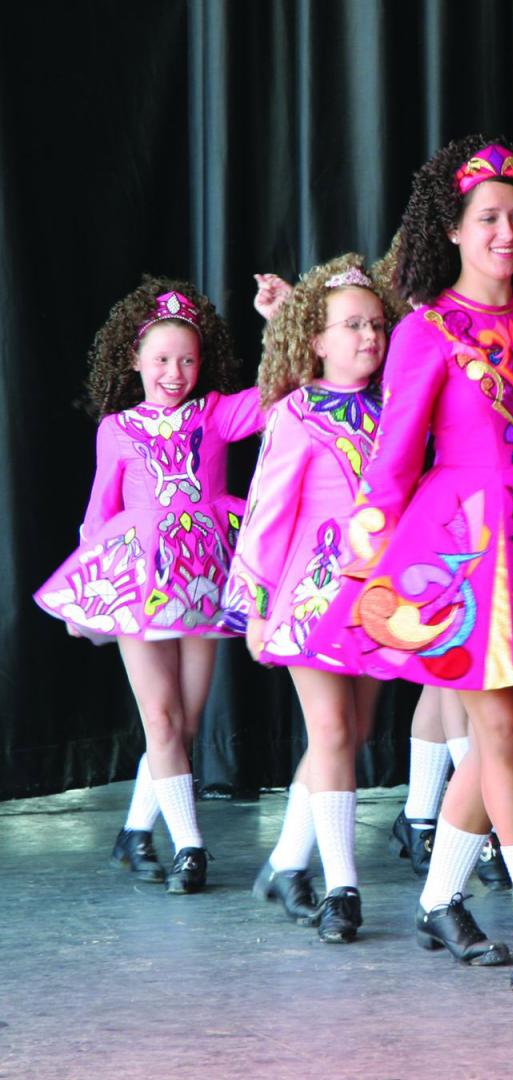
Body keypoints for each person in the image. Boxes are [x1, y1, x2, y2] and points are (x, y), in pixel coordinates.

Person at [306, 136, 513, 989]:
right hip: (462, 556)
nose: (504, 233)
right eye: (486, 220)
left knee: (502, 737)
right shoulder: (426, 332)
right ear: (452, 231)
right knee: (504, 733)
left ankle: (440, 900)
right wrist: (367, 577)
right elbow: (393, 461)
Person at [35, 279, 260, 894]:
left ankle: (135, 832)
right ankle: (191, 847)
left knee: (182, 726)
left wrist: (281, 322)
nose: (174, 372)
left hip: (206, 583)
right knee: (160, 722)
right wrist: (86, 590)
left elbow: (277, 397)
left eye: (187, 360)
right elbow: (98, 512)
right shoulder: (116, 429)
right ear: (134, 360)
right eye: (161, 359)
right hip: (140, 585)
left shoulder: (215, 413)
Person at [228, 253, 396, 942]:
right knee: (329, 733)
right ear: (318, 340)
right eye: (351, 325)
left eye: (377, 325)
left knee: (350, 736)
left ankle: (288, 863)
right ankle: (343, 887)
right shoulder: (297, 413)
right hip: (310, 595)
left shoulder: (394, 409)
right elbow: (266, 511)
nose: (368, 336)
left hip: (375, 597)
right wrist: (257, 605)